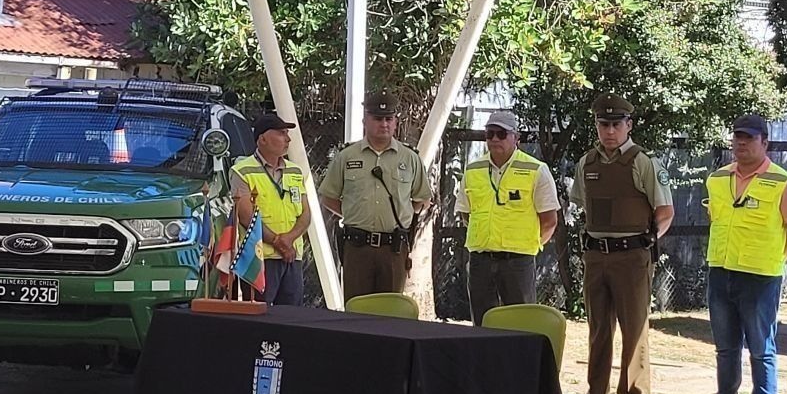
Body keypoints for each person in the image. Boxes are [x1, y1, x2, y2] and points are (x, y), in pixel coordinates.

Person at [685, 114, 787, 394]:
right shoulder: (717, 179)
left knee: (761, 349)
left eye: (749, 138)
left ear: (764, 143)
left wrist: (775, 258)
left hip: (760, 278)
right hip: (721, 272)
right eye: (737, 137)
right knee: (726, 349)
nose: (741, 143)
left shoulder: (782, 182)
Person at [566, 94, 674, 394]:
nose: (609, 131)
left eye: (616, 124)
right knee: (598, 330)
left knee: (635, 330)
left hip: (632, 256)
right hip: (597, 255)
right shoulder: (587, 163)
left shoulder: (644, 162)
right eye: (603, 124)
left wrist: (646, 244)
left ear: (629, 125)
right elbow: (582, 205)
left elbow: (665, 211)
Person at [319, 90, 431, 301]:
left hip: (393, 249)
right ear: (365, 120)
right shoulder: (346, 156)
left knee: (389, 316)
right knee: (355, 312)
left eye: (389, 119)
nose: (384, 124)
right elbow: (328, 197)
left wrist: (403, 214)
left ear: (396, 122)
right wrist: (353, 212)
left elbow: (422, 199)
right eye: (378, 119)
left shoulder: (410, 158)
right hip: (357, 248)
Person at [456, 110, 560, 325]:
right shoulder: (473, 169)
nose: (494, 139)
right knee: (482, 324)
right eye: (490, 134)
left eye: (501, 134)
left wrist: (528, 243)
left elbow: (549, 220)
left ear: (516, 138)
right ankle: (483, 360)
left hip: (518, 262)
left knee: (521, 324)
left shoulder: (536, 170)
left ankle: (519, 360)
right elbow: (466, 213)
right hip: (481, 260)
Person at [230, 112, 311, 306]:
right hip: (259, 258)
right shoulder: (242, 170)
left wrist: (289, 240)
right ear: (263, 139)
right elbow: (245, 216)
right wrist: (277, 241)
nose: (288, 139)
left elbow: (305, 213)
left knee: (292, 316)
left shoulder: (294, 170)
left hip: (291, 256)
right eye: (282, 133)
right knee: (259, 314)